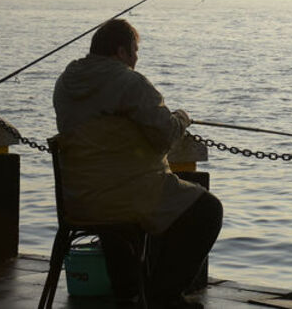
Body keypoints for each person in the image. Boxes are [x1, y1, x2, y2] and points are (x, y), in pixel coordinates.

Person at [53, 18, 221, 308]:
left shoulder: (66, 81)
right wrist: (182, 118)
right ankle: (164, 296)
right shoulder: (129, 82)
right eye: (134, 50)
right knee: (206, 210)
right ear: (121, 51)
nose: (136, 58)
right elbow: (165, 133)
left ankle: (128, 291)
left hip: (79, 199)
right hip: (124, 194)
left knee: (128, 215)